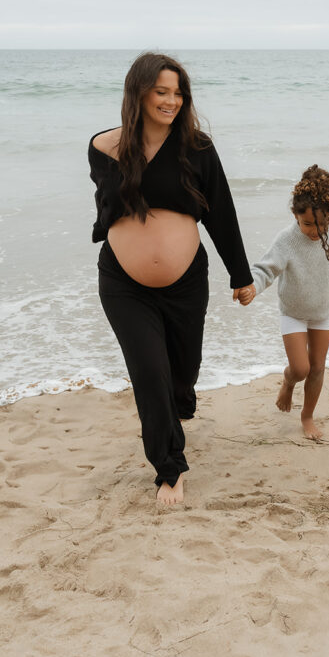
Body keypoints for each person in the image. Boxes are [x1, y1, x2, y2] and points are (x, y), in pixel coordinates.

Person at [89, 52, 254, 505]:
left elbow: (221, 211)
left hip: (186, 285)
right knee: (148, 371)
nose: (171, 100)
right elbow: (106, 209)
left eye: (178, 92)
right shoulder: (104, 148)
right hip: (123, 284)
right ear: (139, 92)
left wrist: (241, 275)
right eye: (161, 91)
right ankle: (170, 468)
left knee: (182, 373)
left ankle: (178, 402)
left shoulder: (196, 148)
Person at [238, 165, 329, 441]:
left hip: (323, 311)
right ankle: (288, 381)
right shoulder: (287, 240)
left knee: (317, 367)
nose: (316, 231)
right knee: (301, 368)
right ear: (295, 215)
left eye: (322, 224)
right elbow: (265, 270)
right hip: (293, 312)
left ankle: (307, 416)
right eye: (308, 224)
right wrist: (252, 288)